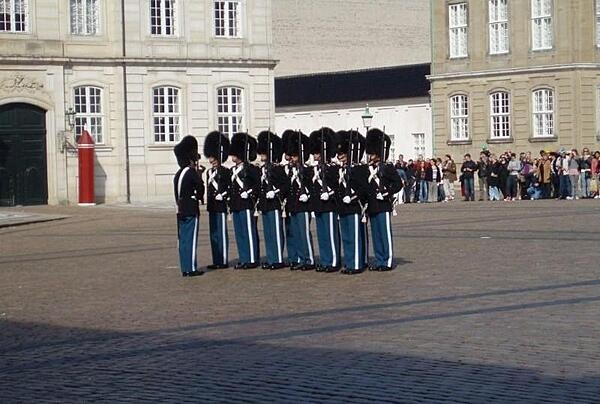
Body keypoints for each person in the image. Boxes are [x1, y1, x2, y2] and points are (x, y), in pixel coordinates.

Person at [356, 128, 402, 272]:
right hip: (372, 205)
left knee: (384, 233)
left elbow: (398, 184)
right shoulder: (366, 169)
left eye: (373, 153)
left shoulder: (387, 167)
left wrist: (387, 193)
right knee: (376, 234)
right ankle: (379, 259)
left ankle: (387, 261)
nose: (370, 155)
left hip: (383, 204)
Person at [335, 130, 369, 275]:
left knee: (354, 237)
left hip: (355, 206)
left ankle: (356, 264)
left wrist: (353, 197)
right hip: (343, 206)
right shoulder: (341, 170)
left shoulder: (359, 169)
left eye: (342, 154)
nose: (339, 157)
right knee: (347, 237)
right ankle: (349, 262)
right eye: (339, 155)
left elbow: (363, 188)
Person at [309, 128, 341, 273]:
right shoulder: (313, 169)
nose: (315, 155)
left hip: (329, 205)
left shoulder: (333, 168)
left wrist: (330, 193)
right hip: (319, 205)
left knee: (330, 235)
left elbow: (338, 187)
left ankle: (333, 261)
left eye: (317, 153)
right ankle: (325, 260)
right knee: (322, 236)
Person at [173, 135, 205, 277]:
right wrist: (199, 176)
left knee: (183, 239)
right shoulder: (191, 173)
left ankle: (185, 267)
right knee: (191, 239)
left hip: (180, 208)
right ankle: (191, 268)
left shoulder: (178, 174)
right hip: (191, 208)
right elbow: (200, 189)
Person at [256, 130, 289, 270]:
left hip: (275, 203)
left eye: (264, 153)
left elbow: (285, 186)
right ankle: (271, 258)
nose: (262, 156)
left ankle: (277, 259)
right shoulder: (263, 169)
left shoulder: (277, 169)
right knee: (268, 234)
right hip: (265, 204)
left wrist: (275, 192)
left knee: (275, 232)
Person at [283, 130, 316, 271]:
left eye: (296, 156)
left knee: (304, 233)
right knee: (296, 233)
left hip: (303, 206)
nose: (293, 159)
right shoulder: (290, 170)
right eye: (293, 156)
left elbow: (312, 186)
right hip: (293, 205)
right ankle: (300, 258)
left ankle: (309, 259)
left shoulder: (307, 170)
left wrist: (307, 195)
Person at [228, 132, 261, 269]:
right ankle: (244, 258)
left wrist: (250, 193)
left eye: (234, 154)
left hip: (247, 204)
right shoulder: (232, 170)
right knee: (240, 234)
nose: (232, 156)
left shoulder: (251, 169)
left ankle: (252, 259)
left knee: (249, 232)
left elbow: (258, 185)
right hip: (236, 205)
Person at [203, 131, 231, 270]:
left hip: (220, 206)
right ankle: (216, 259)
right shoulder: (209, 172)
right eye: (210, 157)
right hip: (212, 206)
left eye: (213, 157)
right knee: (213, 234)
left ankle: (223, 259)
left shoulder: (225, 172)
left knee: (221, 233)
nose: (211, 160)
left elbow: (229, 188)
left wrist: (223, 195)